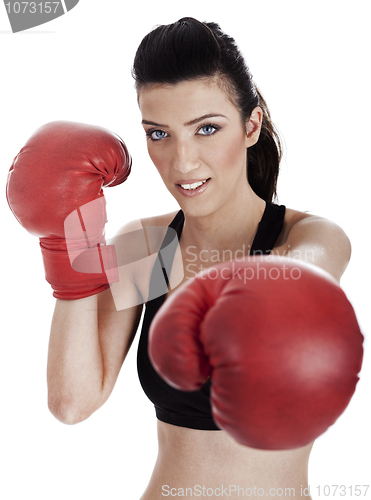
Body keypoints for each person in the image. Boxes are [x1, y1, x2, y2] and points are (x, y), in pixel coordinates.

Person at [6, 17, 362, 500]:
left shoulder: (308, 236)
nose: (183, 162)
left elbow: (307, 275)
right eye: (159, 134)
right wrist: (68, 246)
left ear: (251, 125)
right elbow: (72, 403)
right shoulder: (149, 246)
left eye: (207, 129)